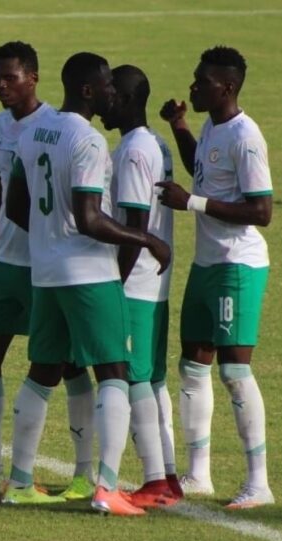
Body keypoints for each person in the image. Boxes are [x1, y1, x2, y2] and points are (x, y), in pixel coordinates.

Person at [5, 52, 170, 516]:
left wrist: (48, 236)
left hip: (46, 275)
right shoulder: (89, 141)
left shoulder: (33, 133)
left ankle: (19, 481)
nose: (112, 92)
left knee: (42, 371)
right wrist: (146, 238)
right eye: (106, 85)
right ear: (87, 90)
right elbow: (90, 219)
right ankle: (107, 488)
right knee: (114, 370)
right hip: (89, 274)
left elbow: (15, 206)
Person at [0, 42, 96, 501]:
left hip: (46, 266)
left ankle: (84, 473)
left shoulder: (55, 127)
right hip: (7, 264)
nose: (1, 85)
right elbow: (2, 196)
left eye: (10, 77)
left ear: (33, 78)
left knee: (68, 364)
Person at [158, 46, 274, 509]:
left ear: (226, 87)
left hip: (237, 266)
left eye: (201, 81)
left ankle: (259, 483)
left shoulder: (246, 137)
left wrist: (191, 202)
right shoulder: (212, 125)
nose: (193, 86)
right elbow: (202, 169)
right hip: (207, 264)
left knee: (234, 370)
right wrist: (180, 127)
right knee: (192, 365)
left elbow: (261, 211)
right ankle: (199, 475)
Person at [101, 65, 181, 506]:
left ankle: (155, 481)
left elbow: (135, 225)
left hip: (135, 283)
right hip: (155, 283)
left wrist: (115, 282)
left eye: (111, 93)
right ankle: (167, 476)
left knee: (132, 379)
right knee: (150, 379)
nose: (104, 101)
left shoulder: (133, 151)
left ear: (128, 99)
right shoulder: (156, 142)